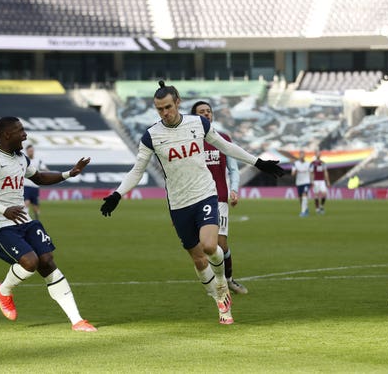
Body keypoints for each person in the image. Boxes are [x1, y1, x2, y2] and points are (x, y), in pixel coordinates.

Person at [100, 81, 284, 325]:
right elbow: (137, 170)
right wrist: (117, 194)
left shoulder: (198, 124)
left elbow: (225, 146)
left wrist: (258, 162)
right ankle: (219, 296)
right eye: (159, 109)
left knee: (210, 246)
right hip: (178, 204)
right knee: (198, 259)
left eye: (168, 107)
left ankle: (221, 289)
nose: (165, 113)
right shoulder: (152, 136)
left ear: (178, 103)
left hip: (205, 194)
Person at [0, 117, 96, 332]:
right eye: (20, 131)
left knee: (47, 260)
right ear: (7, 134)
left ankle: (77, 321)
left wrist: (69, 173)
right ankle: (4, 290)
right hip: (0, 224)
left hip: (24, 220)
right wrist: (3, 209)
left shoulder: (20, 158)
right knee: (30, 262)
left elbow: (39, 178)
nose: (25, 135)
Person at [191, 100, 247, 295]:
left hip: (219, 198)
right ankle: (213, 283)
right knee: (202, 246)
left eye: (208, 111)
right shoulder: (190, 142)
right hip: (196, 198)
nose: (206, 114)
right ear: (194, 116)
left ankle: (228, 280)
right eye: (201, 112)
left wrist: (234, 189)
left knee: (220, 245)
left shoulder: (222, 138)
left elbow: (233, 169)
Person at [23, 144, 47, 220]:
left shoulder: (38, 161)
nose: (31, 152)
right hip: (26, 185)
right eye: (29, 151)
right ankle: (25, 220)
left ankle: (37, 220)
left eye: (32, 151)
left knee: (35, 207)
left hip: (35, 186)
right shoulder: (24, 161)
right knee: (26, 203)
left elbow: (45, 169)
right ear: (27, 152)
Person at [309, 149, 330, 214]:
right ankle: (317, 209)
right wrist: (311, 181)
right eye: (317, 153)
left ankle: (321, 206)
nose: (319, 154)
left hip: (322, 181)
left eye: (319, 153)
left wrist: (328, 181)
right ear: (315, 154)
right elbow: (311, 173)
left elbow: (325, 172)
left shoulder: (323, 163)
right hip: (315, 181)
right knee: (316, 195)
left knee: (324, 194)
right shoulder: (312, 163)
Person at [291, 150, 311, 217]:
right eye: (301, 155)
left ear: (304, 156)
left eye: (303, 155)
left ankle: (303, 212)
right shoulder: (295, 164)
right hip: (299, 183)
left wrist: (312, 181)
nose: (302, 156)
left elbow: (311, 172)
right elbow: (292, 174)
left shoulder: (308, 164)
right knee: (300, 198)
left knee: (304, 194)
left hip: (306, 182)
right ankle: (305, 208)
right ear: (299, 156)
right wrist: (296, 170)